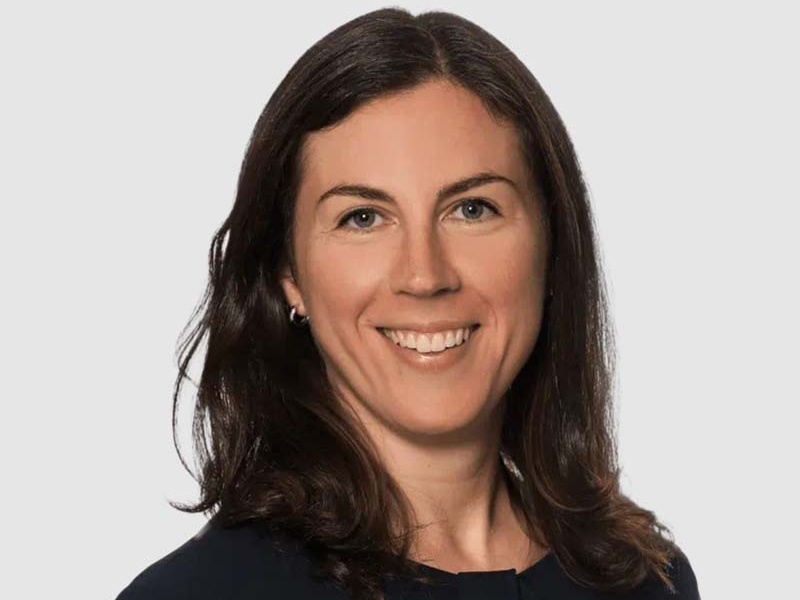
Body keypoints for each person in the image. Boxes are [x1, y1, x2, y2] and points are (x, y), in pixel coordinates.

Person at [115, 7, 700, 600]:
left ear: (550, 248)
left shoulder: (650, 582)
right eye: (363, 218)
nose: (424, 276)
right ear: (288, 274)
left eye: (472, 209)